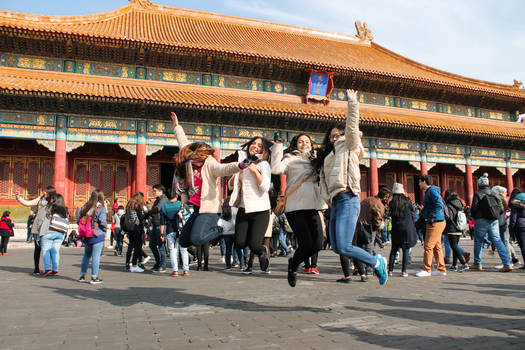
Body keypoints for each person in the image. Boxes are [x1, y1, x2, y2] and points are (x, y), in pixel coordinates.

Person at [314, 89, 388, 286]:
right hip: (336, 202)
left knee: (346, 245)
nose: (334, 138)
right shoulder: (329, 156)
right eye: (331, 137)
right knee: (338, 247)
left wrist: (352, 103)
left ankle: (376, 261)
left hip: (348, 197)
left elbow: (353, 128)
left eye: (337, 135)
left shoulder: (350, 146)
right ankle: (374, 261)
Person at [170, 111, 246, 248]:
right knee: (183, 241)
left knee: (197, 239)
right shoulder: (189, 162)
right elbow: (183, 142)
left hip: (210, 210)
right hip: (198, 209)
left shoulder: (209, 164)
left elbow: (224, 169)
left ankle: (223, 227)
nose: (204, 156)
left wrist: (240, 165)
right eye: (202, 153)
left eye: (206, 153)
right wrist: (176, 126)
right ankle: (216, 232)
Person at [270, 133, 325, 284]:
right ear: (296, 144)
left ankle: (293, 262)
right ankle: (294, 266)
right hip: (295, 207)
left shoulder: (317, 161)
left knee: (318, 243)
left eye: (307, 142)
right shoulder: (290, 159)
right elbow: (275, 168)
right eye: (301, 142)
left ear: (311, 145)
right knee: (306, 243)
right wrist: (278, 145)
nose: (304, 144)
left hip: (313, 206)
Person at [229, 136, 273, 274]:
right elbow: (230, 186)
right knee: (239, 242)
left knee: (255, 245)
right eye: (253, 143)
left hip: (260, 209)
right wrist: (239, 171)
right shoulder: (242, 163)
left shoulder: (263, 165)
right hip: (244, 208)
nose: (255, 146)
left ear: (264, 150)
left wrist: (254, 171)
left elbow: (265, 187)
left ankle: (261, 251)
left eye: (260, 145)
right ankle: (255, 255)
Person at [470, 173, 512, 272]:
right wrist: (495, 215)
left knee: (478, 241)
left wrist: (475, 216)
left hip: (481, 220)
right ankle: (507, 263)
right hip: (494, 220)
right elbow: (502, 208)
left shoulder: (478, 193)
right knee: (498, 240)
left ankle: (478, 263)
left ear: (479, 184)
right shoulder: (494, 193)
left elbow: (474, 208)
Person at [354, 186, 392, 281]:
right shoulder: (379, 204)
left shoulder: (367, 199)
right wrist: (378, 228)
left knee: (357, 248)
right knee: (369, 248)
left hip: (358, 225)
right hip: (369, 228)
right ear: (385, 197)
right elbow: (377, 220)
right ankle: (369, 269)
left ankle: (358, 268)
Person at [16, 186, 56, 275]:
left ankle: (50, 268)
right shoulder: (40, 199)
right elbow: (27, 203)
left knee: (49, 249)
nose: (43, 192)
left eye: (45, 191)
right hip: (38, 226)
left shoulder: (54, 201)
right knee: (37, 248)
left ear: (50, 192)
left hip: (49, 227)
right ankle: (36, 268)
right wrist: (19, 198)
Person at [415, 175, 447, 277]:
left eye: (420, 182)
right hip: (437, 220)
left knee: (428, 245)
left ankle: (427, 269)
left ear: (424, 182)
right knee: (437, 246)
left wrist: (432, 215)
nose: (419, 184)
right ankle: (441, 269)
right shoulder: (430, 191)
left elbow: (439, 204)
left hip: (435, 221)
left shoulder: (431, 191)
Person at [387, 183, 417, 277]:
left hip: (396, 228)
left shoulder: (392, 203)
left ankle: (390, 270)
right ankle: (404, 271)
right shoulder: (407, 201)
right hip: (407, 228)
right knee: (406, 249)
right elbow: (413, 212)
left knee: (394, 250)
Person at [78, 189, 107, 284]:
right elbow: (103, 222)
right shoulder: (101, 208)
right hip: (97, 234)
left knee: (86, 255)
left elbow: (79, 220)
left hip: (87, 235)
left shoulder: (85, 207)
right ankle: (94, 277)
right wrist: (104, 230)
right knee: (96, 256)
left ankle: (82, 276)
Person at [161, 193, 191, 277]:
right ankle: (186, 270)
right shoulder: (182, 205)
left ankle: (175, 270)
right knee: (184, 250)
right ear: (176, 196)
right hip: (182, 230)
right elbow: (188, 217)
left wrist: (162, 233)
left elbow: (162, 221)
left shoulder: (164, 206)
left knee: (173, 250)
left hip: (170, 229)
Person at [40, 194, 69, 276]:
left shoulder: (50, 207)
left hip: (49, 232)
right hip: (60, 233)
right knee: (55, 251)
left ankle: (47, 268)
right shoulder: (65, 210)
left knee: (46, 250)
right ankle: (55, 270)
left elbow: (44, 219)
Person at [492, 185, 520, 266]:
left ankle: (508, 260)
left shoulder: (501, 200)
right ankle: (514, 258)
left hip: (503, 222)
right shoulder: (505, 199)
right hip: (506, 221)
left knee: (505, 241)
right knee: (506, 240)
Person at [443, 190, 469, 272]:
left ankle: (464, 263)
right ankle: (454, 265)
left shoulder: (449, 205)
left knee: (453, 246)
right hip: (459, 226)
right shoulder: (459, 203)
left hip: (452, 227)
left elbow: (449, 216)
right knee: (455, 246)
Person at [145, 184, 169, 273]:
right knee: (152, 245)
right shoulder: (157, 200)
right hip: (155, 225)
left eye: (155, 191)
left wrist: (148, 212)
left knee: (161, 246)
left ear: (160, 191)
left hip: (161, 225)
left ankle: (163, 265)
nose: (153, 193)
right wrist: (150, 213)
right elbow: (153, 211)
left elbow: (157, 209)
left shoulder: (164, 199)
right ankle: (158, 262)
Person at [125, 193, 147, 273]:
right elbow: (141, 217)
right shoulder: (137, 205)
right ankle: (134, 265)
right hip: (137, 227)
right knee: (138, 246)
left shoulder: (129, 205)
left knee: (131, 245)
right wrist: (146, 213)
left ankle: (127, 263)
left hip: (130, 228)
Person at [509, 189, 525, 269]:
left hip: (520, 225)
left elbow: (513, 218)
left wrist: (511, 229)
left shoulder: (515, 204)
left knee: (523, 246)